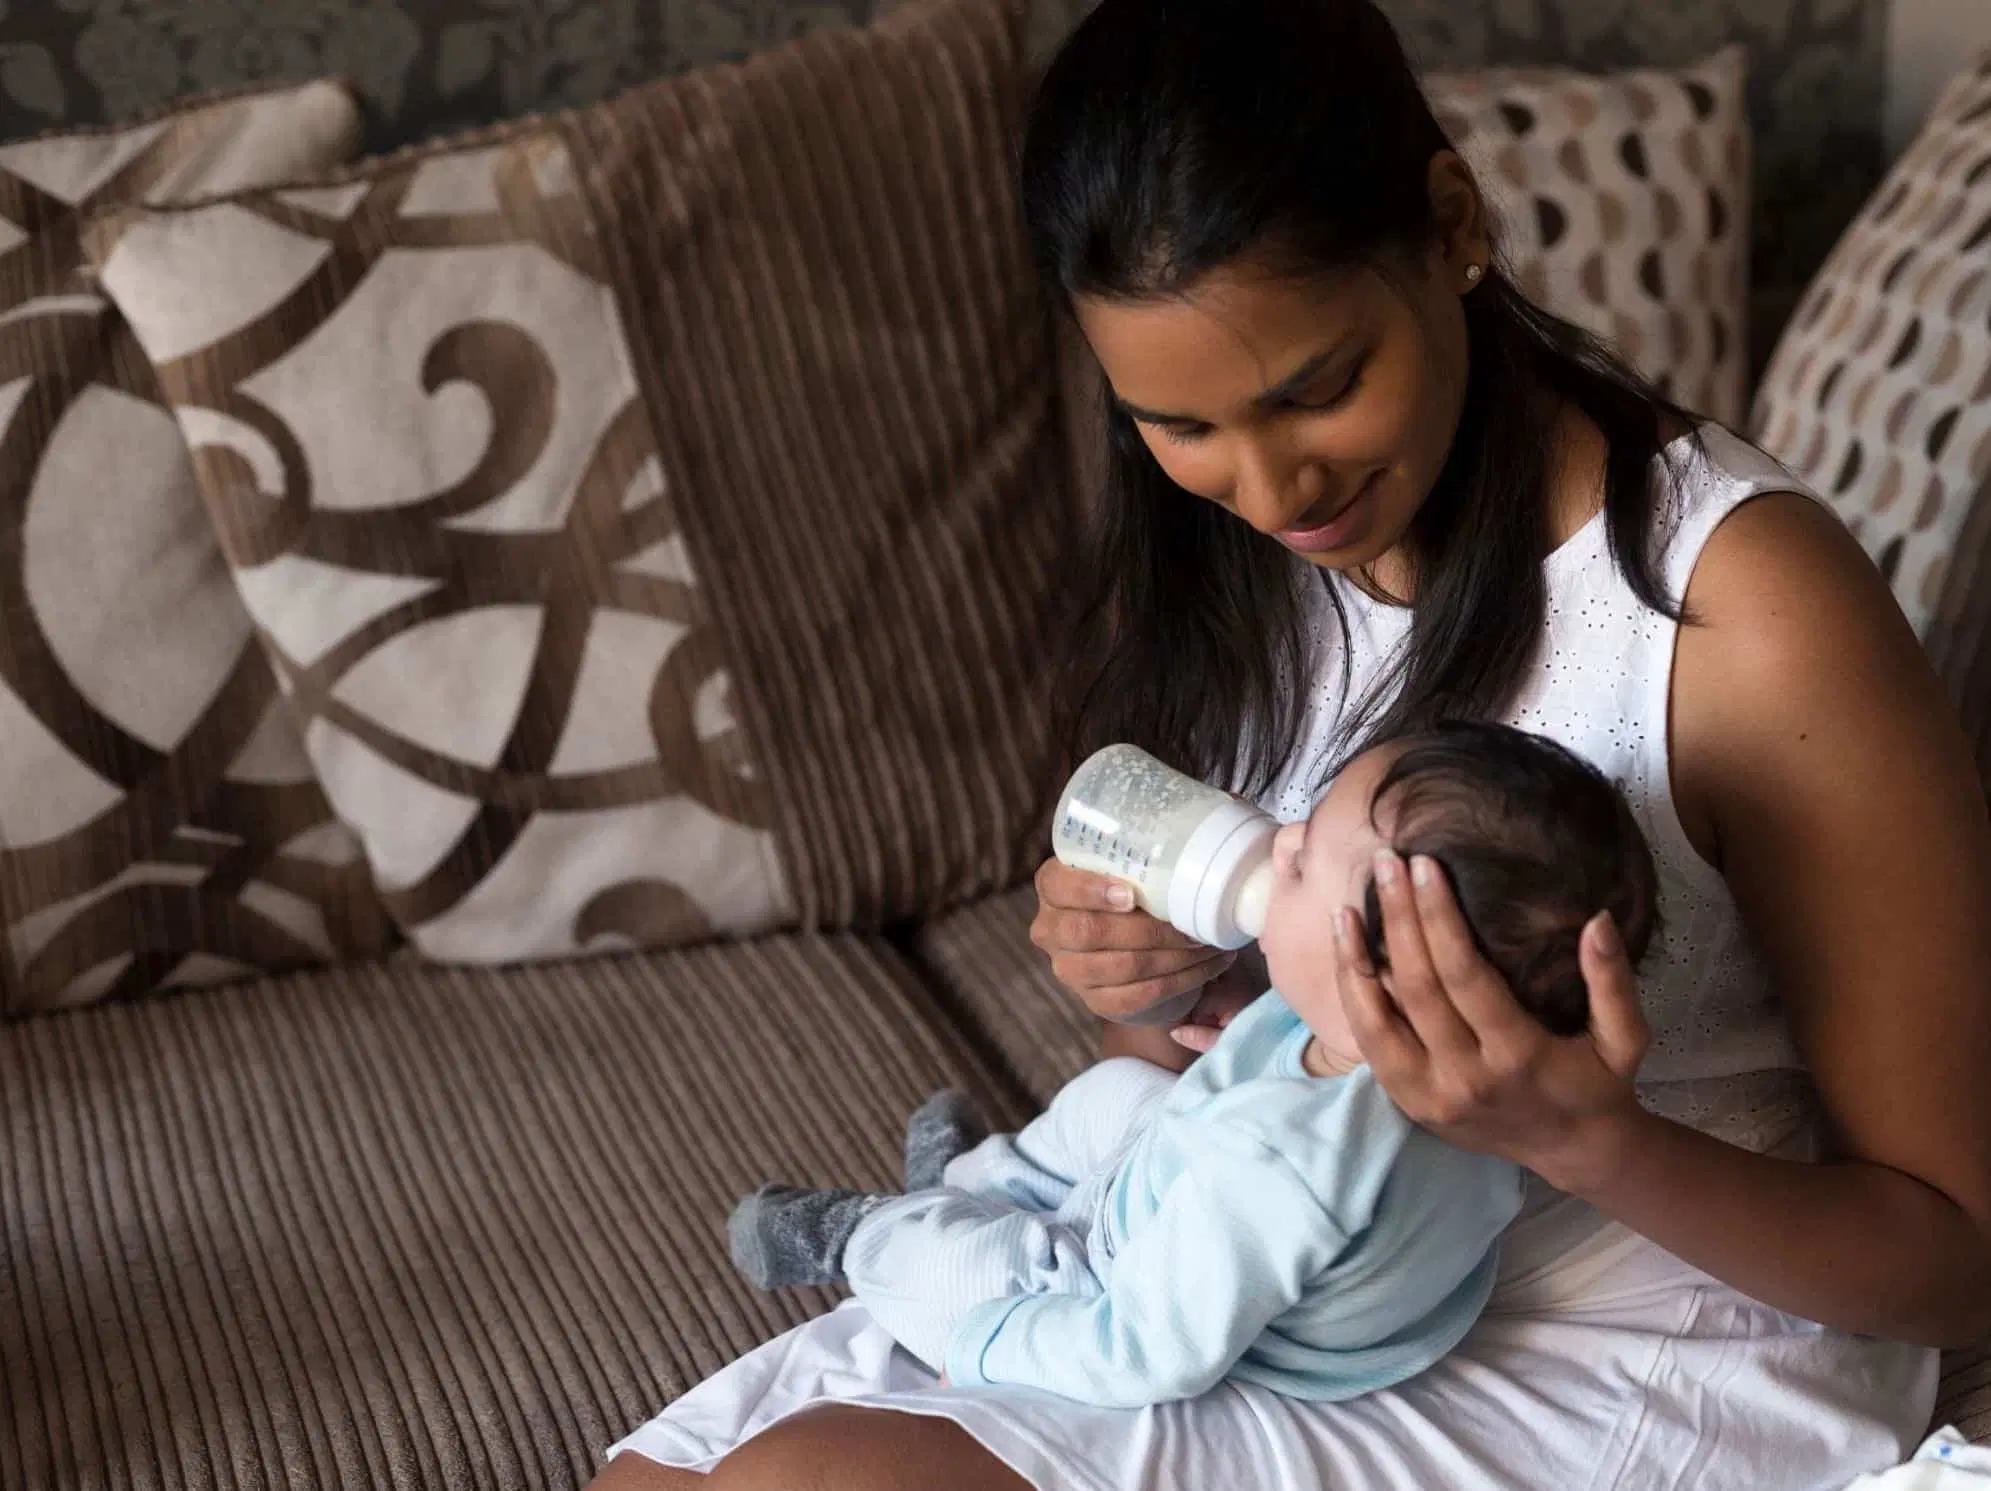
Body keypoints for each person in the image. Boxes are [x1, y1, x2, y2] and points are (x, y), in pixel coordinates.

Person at [591, 0, 1991, 1484]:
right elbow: (1233, 1068)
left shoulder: (1736, 612)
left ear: (1450, 225)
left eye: (1316, 389)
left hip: (1642, 1332)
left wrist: (1587, 1138)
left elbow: (1960, 1257)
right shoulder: (1247, 557)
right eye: (1178, 425)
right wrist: (1164, 979)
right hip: (1285, 1263)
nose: (1269, 493)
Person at [719, 725, 1658, 1411]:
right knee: (1116, 1095)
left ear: (1381, 977)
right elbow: (1296, 1091)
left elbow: (1144, 1350)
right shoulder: (1468, 1071)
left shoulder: (1280, 1168)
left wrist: (989, 1352)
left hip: (1135, 1282)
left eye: (1302, 864)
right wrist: (1248, 1051)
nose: (1280, 840)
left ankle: (858, 1229)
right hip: (1199, 1184)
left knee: (952, 1268)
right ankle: (971, 1179)